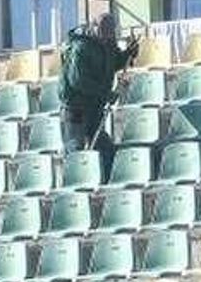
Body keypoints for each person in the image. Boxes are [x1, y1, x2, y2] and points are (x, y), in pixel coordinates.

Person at [58, 13, 140, 178]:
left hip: (95, 107)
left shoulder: (108, 45)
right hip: (76, 108)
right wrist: (105, 94)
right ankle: (75, 182)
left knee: (104, 147)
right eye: (105, 30)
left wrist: (128, 54)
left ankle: (107, 180)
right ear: (94, 28)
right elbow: (77, 80)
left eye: (111, 31)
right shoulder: (81, 47)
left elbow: (114, 63)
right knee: (75, 149)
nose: (108, 35)